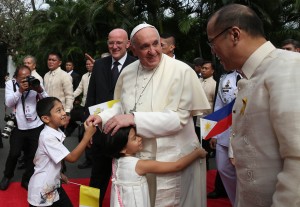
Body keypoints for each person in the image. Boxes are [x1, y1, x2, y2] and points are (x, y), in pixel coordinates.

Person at [86, 23, 210, 207]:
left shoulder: (182, 71)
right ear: (133, 49)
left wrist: (134, 118)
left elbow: (179, 119)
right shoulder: (127, 72)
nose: (152, 51)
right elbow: (121, 105)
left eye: (156, 44)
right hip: (138, 156)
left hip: (171, 156)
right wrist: (102, 117)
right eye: (145, 47)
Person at [207, 4, 300, 207]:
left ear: (234, 35)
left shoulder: (288, 67)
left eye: (212, 43)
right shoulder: (251, 76)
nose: (213, 52)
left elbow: (297, 158)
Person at [85, 28, 136, 206]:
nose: (114, 47)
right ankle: (89, 206)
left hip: (126, 135)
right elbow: (90, 97)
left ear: (128, 44)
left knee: (125, 178)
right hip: (99, 131)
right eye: (111, 43)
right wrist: (88, 128)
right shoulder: (99, 64)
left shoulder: (137, 65)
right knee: (96, 177)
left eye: (119, 43)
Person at [106, 126, 207, 207]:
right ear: (123, 149)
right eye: (134, 138)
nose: (140, 138)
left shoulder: (116, 161)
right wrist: (197, 154)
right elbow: (177, 166)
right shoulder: (139, 165)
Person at [27, 97, 96, 207]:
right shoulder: (47, 137)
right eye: (58, 111)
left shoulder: (55, 131)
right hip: (43, 189)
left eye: (63, 109)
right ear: (46, 118)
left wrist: (59, 174)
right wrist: (87, 136)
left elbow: (48, 161)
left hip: (53, 184)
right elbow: (72, 158)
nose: (64, 113)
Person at [0, 65, 48, 191]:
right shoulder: (11, 84)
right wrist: (20, 91)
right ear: (16, 78)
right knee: (14, 153)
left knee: (33, 155)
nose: (26, 80)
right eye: (22, 78)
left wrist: (39, 89)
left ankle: (26, 179)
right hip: (19, 126)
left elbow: (47, 101)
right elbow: (9, 103)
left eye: (28, 77)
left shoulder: (35, 82)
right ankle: (7, 176)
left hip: (35, 125)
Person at [209, 70, 241, 205]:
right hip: (225, 131)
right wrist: (214, 133)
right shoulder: (225, 78)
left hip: (246, 131)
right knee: (223, 168)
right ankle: (236, 201)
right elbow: (219, 106)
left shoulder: (258, 72)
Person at [195, 60, 216, 169]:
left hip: (208, 119)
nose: (203, 70)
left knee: (206, 145)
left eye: (206, 68)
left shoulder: (214, 84)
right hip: (196, 118)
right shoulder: (197, 81)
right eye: (202, 68)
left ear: (212, 71)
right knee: (197, 143)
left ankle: (206, 167)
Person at [44, 52, 74, 118]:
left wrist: (67, 112)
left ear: (59, 63)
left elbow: (69, 96)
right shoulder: (46, 75)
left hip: (60, 113)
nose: (50, 62)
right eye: (49, 60)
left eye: (53, 60)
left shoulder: (65, 76)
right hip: (47, 112)